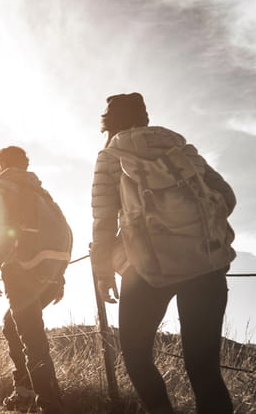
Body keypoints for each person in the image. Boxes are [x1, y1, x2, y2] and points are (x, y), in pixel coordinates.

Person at [91, 92, 236, 414]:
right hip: (206, 263)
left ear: (108, 122)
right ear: (144, 117)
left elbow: (102, 219)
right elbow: (226, 196)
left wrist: (103, 271)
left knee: (136, 355)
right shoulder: (180, 148)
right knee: (204, 368)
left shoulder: (111, 155)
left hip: (145, 269)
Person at [0, 146, 71, 414]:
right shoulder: (40, 191)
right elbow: (62, 232)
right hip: (50, 270)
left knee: (32, 338)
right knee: (12, 325)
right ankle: (24, 391)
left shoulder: (1, 187)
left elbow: (0, 230)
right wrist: (59, 278)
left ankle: (50, 406)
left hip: (20, 269)